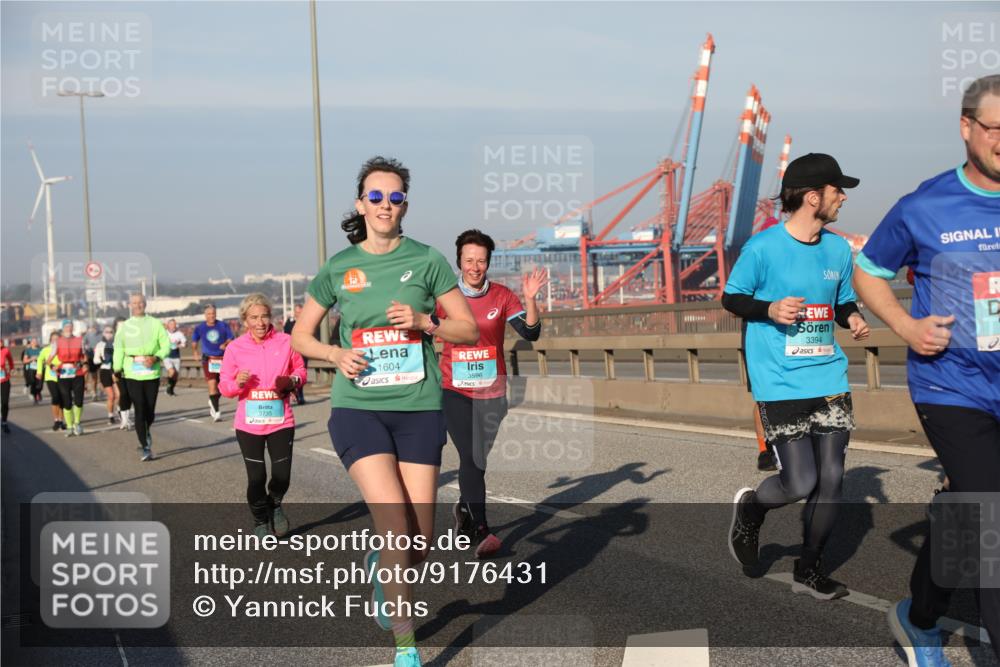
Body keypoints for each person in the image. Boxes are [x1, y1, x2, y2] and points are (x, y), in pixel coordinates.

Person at [291, 156, 478, 667]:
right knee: (395, 525)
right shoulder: (338, 268)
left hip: (418, 410)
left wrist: (426, 321)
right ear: (360, 203)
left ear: (405, 206)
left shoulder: (430, 260)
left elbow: (467, 329)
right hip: (358, 409)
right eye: (376, 197)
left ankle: (383, 566)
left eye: (395, 198)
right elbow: (300, 336)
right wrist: (334, 355)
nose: (385, 206)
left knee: (420, 543)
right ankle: (406, 645)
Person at [853, 74, 1000, 665]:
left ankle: (918, 617)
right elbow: (868, 271)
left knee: (969, 506)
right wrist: (907, 327)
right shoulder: (924, 206)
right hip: (953, 387)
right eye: (997, 129)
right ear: (966, 128)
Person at [723, 152, 869, 600]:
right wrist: (768, 308)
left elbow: (841, 300)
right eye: (836, 190)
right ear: (812, 197)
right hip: (780, 380)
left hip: (828, 377)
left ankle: (809, 568)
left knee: (833, 479)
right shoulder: (762, 248)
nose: (842, 197)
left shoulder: (838, 249)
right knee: (800, 482)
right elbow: (733, 297)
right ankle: (751, 510)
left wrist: (854, 318)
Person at [438, 229, 544, 558]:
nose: (475, 266)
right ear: (459, 260)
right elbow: (425, 328)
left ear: (488, 263)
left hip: (493, 391)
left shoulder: (501, 295)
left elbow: (531, 332)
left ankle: (465, 510)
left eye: (481, 260)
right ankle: (483, 529)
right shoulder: (445, 297)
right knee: (471, 456)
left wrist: (529, 299)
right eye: (469, 260)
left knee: (478, 462)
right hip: (454, 389)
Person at [220, 294, 306, 538]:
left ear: (271, 317)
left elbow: (300, 370)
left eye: (264, 316)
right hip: (249, 425)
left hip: (281, 421)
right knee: (256, 478)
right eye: (254, 317)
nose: (260, 322)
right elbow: (224, 386)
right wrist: (237, 383)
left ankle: (275, 504)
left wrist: (292, 380)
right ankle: (260, 520)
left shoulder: (287, 342)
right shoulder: (235, 348)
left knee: (282, 476)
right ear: (245, 320)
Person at [113, 293, 170, 461]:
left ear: (145, 304)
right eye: (134, 303)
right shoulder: (124, 326)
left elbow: (166, 344)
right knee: (139, 407)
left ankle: (145, 431)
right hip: (132, 372)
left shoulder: (155, 323)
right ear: (130, 305)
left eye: (140, 302)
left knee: (150, 410)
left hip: (152, 371)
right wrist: (117, 368)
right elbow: (118, 348)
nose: (137, 305)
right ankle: (145, 446)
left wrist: (156, 357)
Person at [192, 304, 234, 421]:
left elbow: (231, 338)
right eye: (209, 314)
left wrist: (225, 344)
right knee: (212, 383)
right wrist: (195, 352)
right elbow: (194, 341)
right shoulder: (200, 327)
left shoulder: (222, 325)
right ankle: (216, 411)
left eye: (213, 314)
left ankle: (212, 399)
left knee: (222, 386)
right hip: (208, 359)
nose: (211, 316)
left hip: (222, 359)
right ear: (205, 315)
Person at [54, 320, 87, 437]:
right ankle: (69, 426)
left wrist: (85, 364)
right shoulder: (57, 342)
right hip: (63, 374)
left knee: (79, 400)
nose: (69, 328)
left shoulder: (79, 340)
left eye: (70, 326)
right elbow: (49, 359)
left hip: (77, 373)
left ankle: (77, 423)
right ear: (63, 328)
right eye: (66, 326)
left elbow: (84, 355)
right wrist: (53, 366)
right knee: (67, 402)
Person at [92, 325, 119, 425]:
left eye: (111, 332)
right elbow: (95, 360)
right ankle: (110, 416)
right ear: (103, 333)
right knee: (111, 396)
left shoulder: (116, 343)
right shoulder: (100, 345)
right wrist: (102, 360)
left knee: (119, 394)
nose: (109, 334)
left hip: (115, 370)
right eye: (107, 332)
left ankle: (119, 410)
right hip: (105, 371)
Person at [38, 331, 64, 431]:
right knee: (56, 397)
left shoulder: (63, 349)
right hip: (50, 377)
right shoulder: (46, 350)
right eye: (53, 339)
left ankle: (61, 421)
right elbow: (40, 360)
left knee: (62, 399)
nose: (55, 341)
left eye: (57, 339)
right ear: (50, 340)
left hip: (62, 375)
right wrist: (39, 372)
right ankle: (56, 420)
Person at [283, 304, 308, 405]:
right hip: (292, 350)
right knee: (291, 373)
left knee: (301, 372)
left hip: (303, 350)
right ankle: (292, 394)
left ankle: (300, 394)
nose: (298, 314)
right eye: (297, 312)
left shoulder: (306, 322)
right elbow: (285, 335)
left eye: (300, 312)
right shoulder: (289, 322)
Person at [163, 319, 186, 396]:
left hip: (176, 357)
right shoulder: (164, 333)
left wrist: (179, 345)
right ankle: (168, 389)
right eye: (171, 324)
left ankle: (171, 390)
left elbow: (185, 343)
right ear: (168, 325)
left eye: (174, 324)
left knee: (175, 375)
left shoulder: (179, 334)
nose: (173, 326)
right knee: (171, 371)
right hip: (167, 356)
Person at [83, 323, 102, 401]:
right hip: (91, 357)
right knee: (93, 376)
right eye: (93, 328)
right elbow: (83, 344)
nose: (94, 329)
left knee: (100, 376)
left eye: (95, 327)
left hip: (100, 357)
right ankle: (94, 392)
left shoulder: (101, 335)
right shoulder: (87, 335)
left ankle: (99, 390)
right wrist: (86, 350)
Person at [21, 338, 43, 404]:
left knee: (40, 384)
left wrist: (39, 359)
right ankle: (34, 396)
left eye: (36, 341)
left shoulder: (41, 350)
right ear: (31, 343)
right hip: (31, 369)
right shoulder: (28, 350)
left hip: (40, 369)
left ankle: (38, 392)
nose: (34, 343)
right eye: (33, 342)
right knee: (33, 382)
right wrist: (31, 359)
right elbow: (24, 361)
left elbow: (44, 359)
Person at [1, 340, 13, 434]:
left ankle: (4, 422)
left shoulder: (5, 350)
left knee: (5, 402)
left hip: (4, 380)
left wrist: (10, 370)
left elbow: (11, 362)